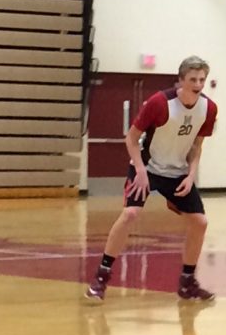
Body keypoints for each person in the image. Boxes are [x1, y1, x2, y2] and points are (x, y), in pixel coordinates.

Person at [85, 56, 218, 302]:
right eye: (193, 79)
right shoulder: (160, 102)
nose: (198, 84)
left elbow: (197, 147)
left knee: (200, 223)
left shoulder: (208, 109)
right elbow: (132, 138)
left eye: (202, 79)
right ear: (180, 81)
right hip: (147, 167)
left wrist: (191, 176)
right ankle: (101, 276)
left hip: (177, 172)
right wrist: (140, 170)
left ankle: (187, 281)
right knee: (130, 215)